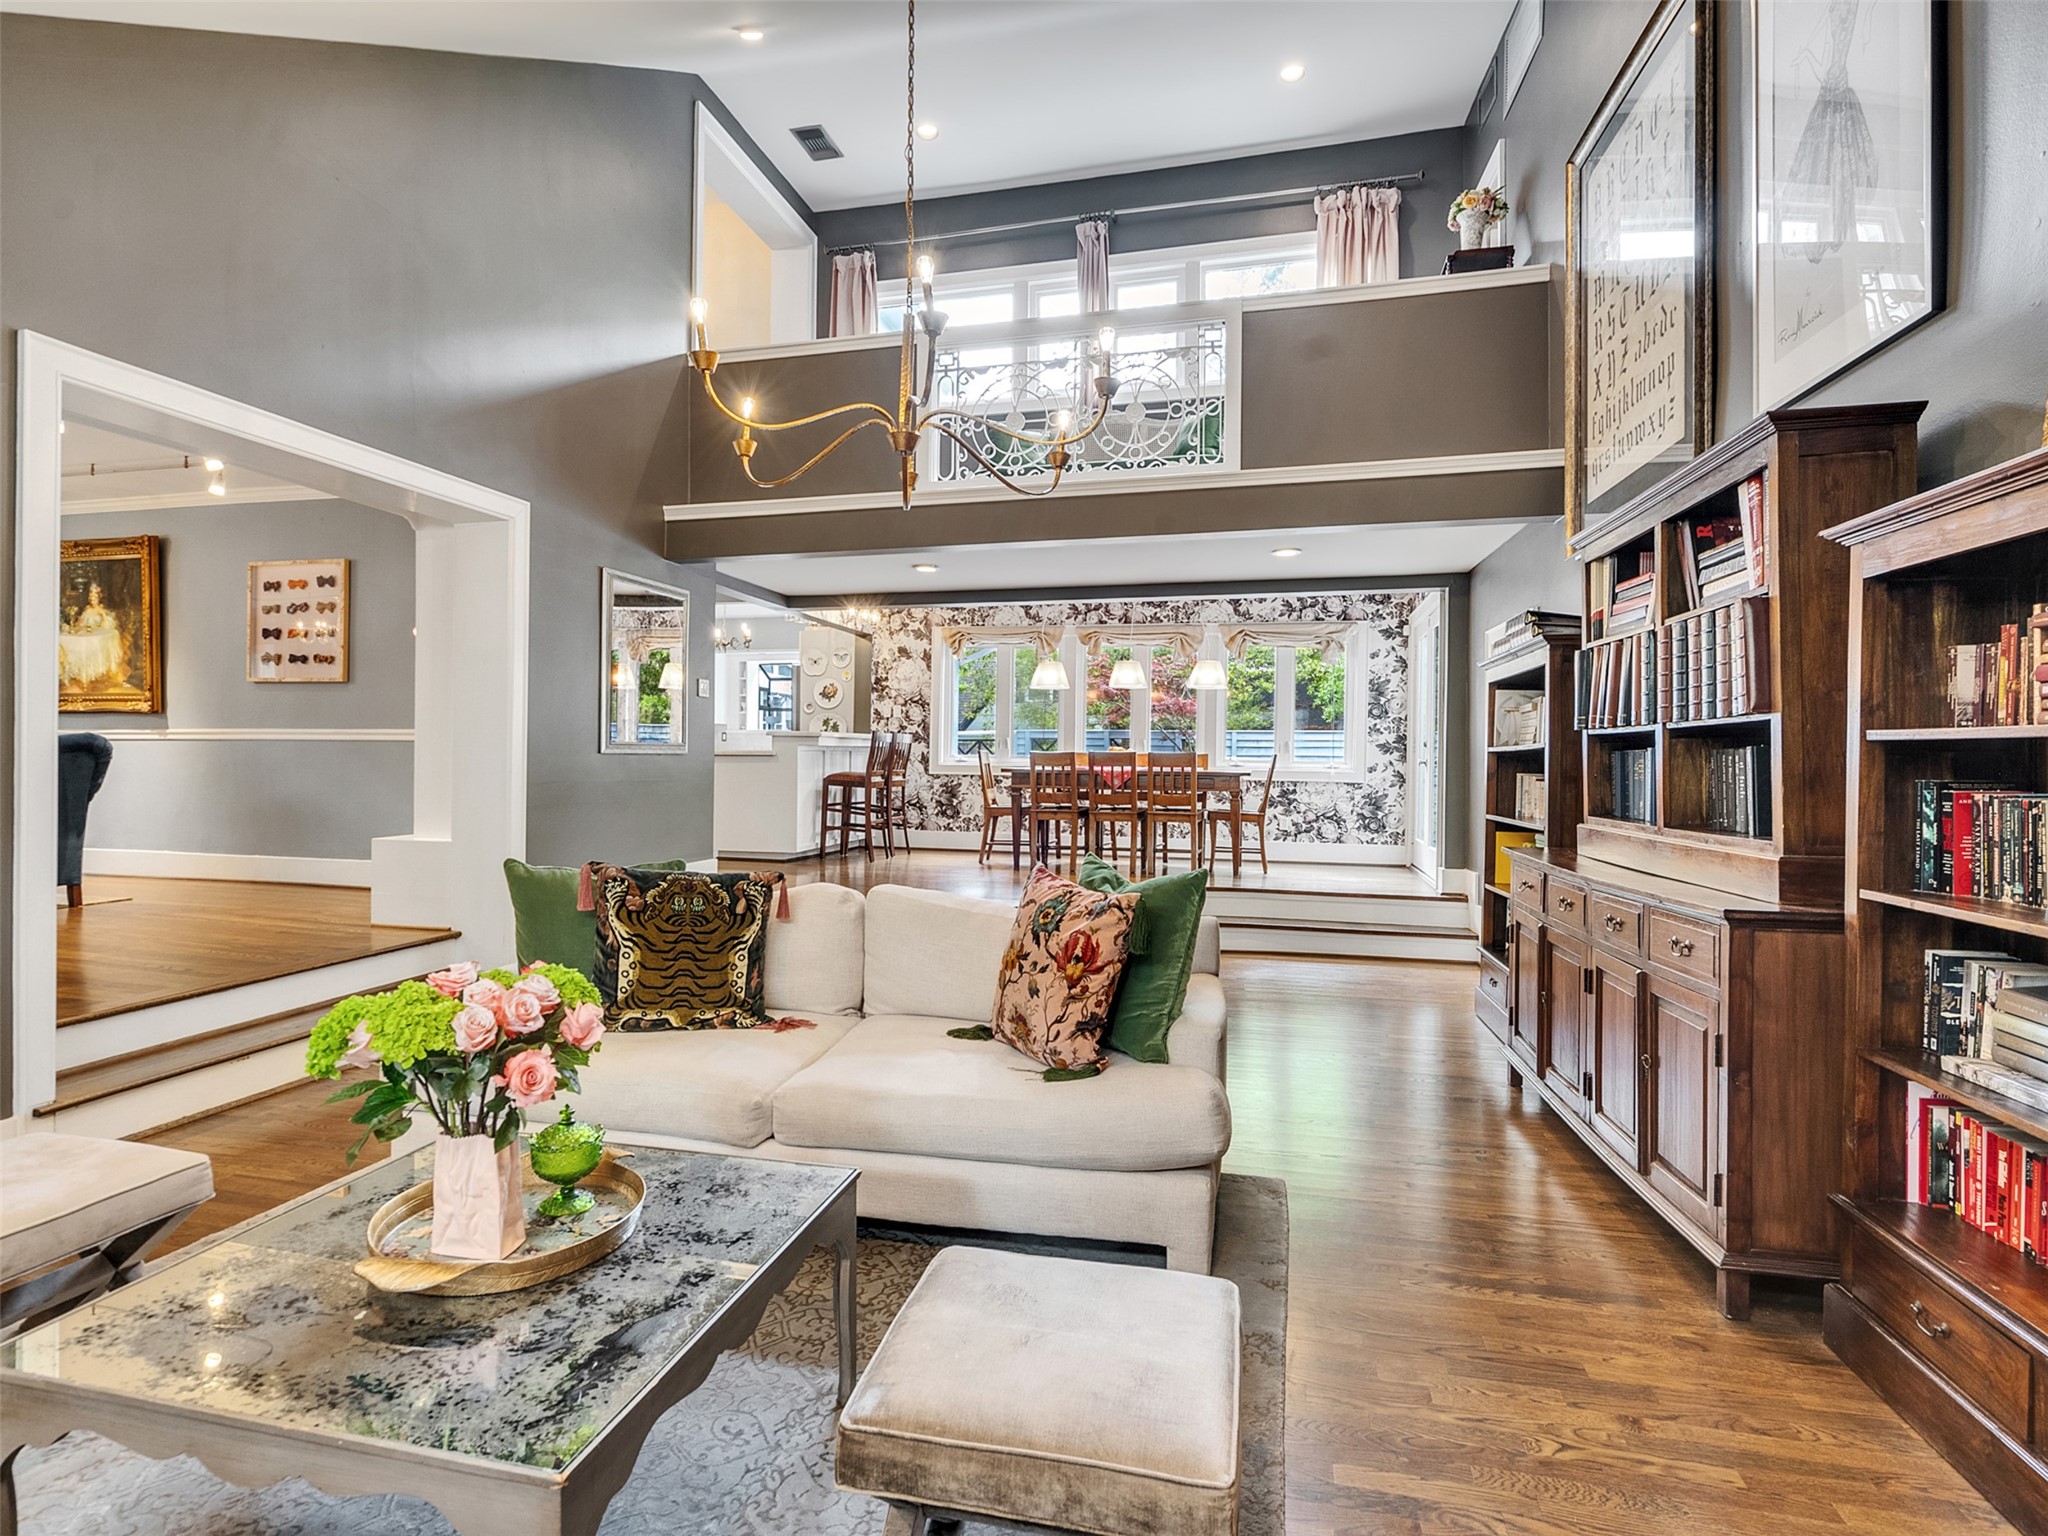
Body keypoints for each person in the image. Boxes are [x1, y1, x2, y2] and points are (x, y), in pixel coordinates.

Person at [59, 580, 126, 688]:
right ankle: (78, 675)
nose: (92, 600)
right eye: (90, 598)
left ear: (98, 598)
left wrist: (103, 617)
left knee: (90, 646)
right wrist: (74, 625)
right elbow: (80, 623)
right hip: (85, 633)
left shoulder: (101, 610)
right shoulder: (87, 609)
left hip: (96, 635)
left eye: (94, 598)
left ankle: (90, 676)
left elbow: (107, 626)